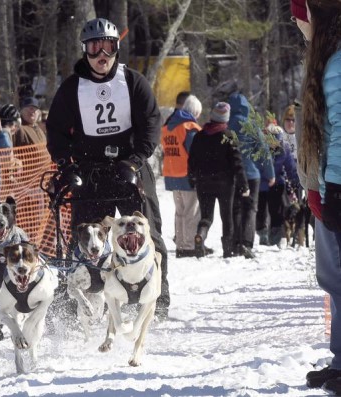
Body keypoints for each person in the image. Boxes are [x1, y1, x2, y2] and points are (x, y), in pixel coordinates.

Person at [46, 17, 170, 318]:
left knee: (147, 231)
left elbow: (151, 124)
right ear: (84, 51)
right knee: (84, 239)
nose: (102, 55)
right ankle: (79, 302)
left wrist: (136, 160)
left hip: (129, 168)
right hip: (91, 173)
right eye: (94, 47)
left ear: (117, 49)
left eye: (109, 47)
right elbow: (56, 130)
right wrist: (66, 165)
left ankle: (157, 296)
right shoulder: (72, 88)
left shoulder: (132, 82)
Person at [290, 0, 341, 394]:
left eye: (300, 16)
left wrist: (330, 187)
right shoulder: (325, 54)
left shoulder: (336, 61)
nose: (296, 24)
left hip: (336, 185)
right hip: (327, 184)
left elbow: (336, 132)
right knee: (333, 278)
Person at [188, 102, 249, 258]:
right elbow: (237, 163)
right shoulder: (228, 136)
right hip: (225, 184)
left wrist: (192, 178)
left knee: (206, 216)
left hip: (203, 182)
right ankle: (227, 250)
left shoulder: (200, 136)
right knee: (226, 217)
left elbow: (192, 159)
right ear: (226, 118)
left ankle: (200, 236)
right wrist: (244, 184)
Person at [161, 94, 210, 258]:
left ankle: (181, 244)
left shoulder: (168, 126)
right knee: (191, 211)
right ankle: (188, 246)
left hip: (171, 174)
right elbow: (197, 153)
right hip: (187, 176)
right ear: (195, 112)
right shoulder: (190, 128)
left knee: (180, 212)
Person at [228, 93, 275, 258]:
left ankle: (235, 243)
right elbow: (263, 151)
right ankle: (247, 244)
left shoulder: (226, 126)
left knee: (235, 209)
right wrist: (270, 174)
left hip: (232, 175)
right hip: (252, 175)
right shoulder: (252, 126)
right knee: (250, 209)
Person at [256, 120, 299, 248]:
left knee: (268, 211)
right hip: (270, 184)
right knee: (269, 211)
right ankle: (268, 236)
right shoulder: (276, 146)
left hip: (269, 184)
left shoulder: (275, 147)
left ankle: (268, 235)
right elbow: (290, 167)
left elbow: (290, 167)